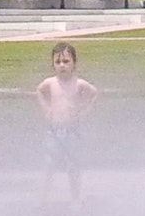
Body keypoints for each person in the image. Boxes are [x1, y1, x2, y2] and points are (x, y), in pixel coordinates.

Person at [35, 41, 99, 206]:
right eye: (58, 62)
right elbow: (39, 91)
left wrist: (85, 110)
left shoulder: (79, 84)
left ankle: (75, 198)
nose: (62, 65)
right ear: (53, 65)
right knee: (49, 165)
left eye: (66, 61)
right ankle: (42, 198)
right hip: (54, 132)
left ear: (74, 64)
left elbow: (95, 93)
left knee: (73, 166)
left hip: (72, 132)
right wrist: (46, 109)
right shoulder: (50, 83)